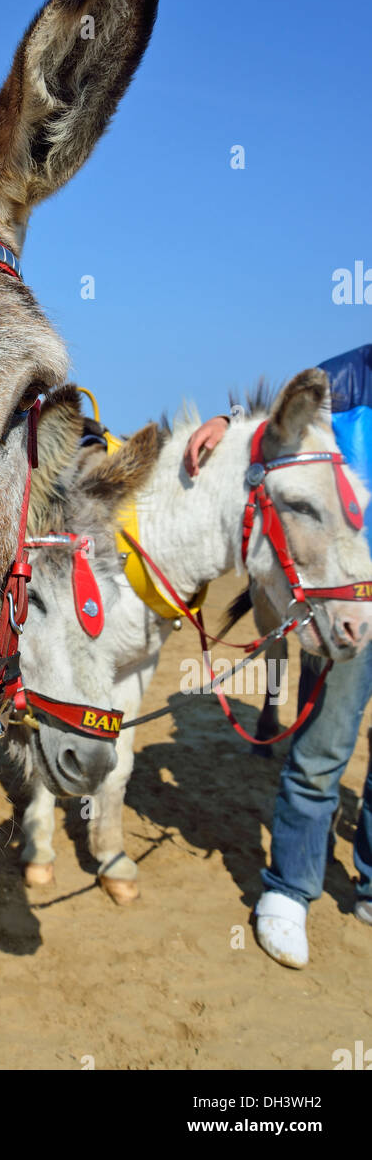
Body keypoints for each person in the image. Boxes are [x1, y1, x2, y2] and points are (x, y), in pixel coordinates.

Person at [183, 345, 372, 968]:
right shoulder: (348, 379)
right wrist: (226, 419)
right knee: (321, 756)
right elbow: (276, 415)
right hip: (341, 593)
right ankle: (290, 890)